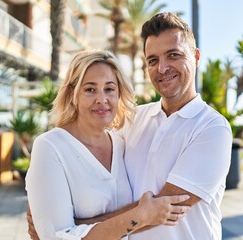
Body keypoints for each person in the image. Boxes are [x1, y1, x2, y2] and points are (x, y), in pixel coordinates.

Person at [28, 12, 232, 239]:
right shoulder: (133, 120)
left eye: (173, 55)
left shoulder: (212, 128)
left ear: (195, 57)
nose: (162, 68)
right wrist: (47, 212)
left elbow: (160, 208)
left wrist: (73, 230)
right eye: (153, 60)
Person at [25, 49, 191, 240]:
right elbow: (55, 237)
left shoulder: (120, 144)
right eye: (90, 89)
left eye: (109, 89)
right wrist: (141, 216)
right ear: (73, 94)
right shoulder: (50, 147)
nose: (101, 99)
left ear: (119, 93)